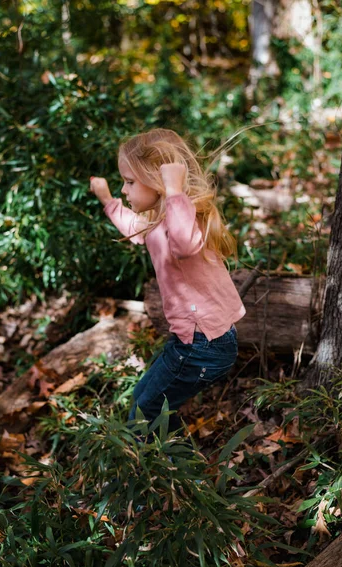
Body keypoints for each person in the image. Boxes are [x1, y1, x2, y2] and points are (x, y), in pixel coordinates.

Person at [89, 128, 246, 433]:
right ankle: (175, 466)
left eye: (130, 182)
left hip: (203, 345)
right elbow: (134, 228)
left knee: (147, 411)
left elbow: (185, 244)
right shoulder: (160, 220)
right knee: (144, 402)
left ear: (157, 181)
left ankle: (172, 470)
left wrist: (175, 192)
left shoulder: (183, 219)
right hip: (193, 342)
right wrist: (108, 199)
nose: (124, 189)